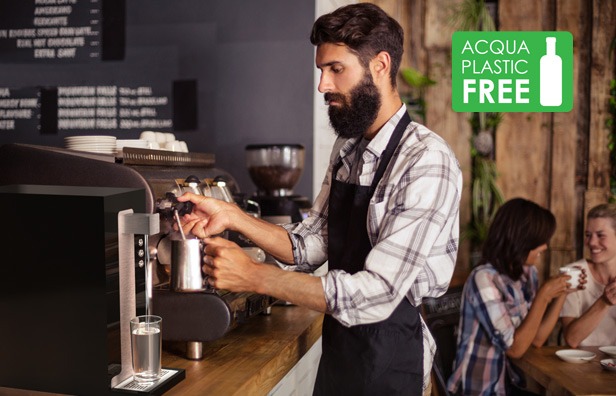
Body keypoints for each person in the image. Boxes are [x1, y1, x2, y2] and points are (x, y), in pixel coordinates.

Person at [178, 3, 462, 395]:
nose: (322, 85)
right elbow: (311, 244)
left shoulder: (426, 160)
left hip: (393, 362)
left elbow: (377, 293)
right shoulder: (348, 148)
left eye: (336, 69)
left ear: (380, 65)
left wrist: (255, 276)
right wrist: (232, 216)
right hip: (341, 357)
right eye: (321, 70)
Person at [447, 198, 583, 396]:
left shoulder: (528, 274)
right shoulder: (484, 278)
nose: (545, 247)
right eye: (540, 241)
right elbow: (515, 348)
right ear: (522, 240)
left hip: (511, 384)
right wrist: (544, 295)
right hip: (480, 390)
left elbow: (536, 339)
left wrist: (563, 291)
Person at [560, 203, 616, 347]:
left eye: (600, 235)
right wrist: (604, 302)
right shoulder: (573, 274)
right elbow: (571, 339)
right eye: (588, 235)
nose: (591, 242)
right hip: (581, 365)